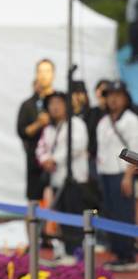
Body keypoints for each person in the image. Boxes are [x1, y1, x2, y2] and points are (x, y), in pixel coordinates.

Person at [36, 91, 89, 257]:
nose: (55, 107)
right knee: (62, 217)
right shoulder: (50, 129)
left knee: (75, 217)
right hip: (57, 180)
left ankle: (76, 253)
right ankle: (67, 251)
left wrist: (55, 160)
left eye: (59, 102)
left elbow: (78, 145)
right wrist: (46, 160)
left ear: (66, 105)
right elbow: (41, 148)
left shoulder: (76, 124)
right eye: (51, 104)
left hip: (75, 180)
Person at [97, 81, 138, 271]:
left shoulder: (130, 120)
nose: (112, 99)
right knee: (110, 213)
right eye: (109, 95)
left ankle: (127, 254)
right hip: (105, 173)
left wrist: (128, 176)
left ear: (125, 98)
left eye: (117, 95)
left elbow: (135, 150)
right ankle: (117, 253)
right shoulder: (104, 121)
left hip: (122, 174)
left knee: (124, 214)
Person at [16, 59, 56, 201]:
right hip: (35, 163)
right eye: (41, 71)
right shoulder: (28, 105)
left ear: (53, 74)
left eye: (48, 71)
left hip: (57, 163)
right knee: (34, 202)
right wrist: (38, 124)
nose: (44, 75)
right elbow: (21, 131)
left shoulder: (60, 101)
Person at [127, 0, 138, 64]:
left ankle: (134, 57)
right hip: (131, 21)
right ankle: (134, 55)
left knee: (134, 39)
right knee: (132, 39)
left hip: (136, 21)